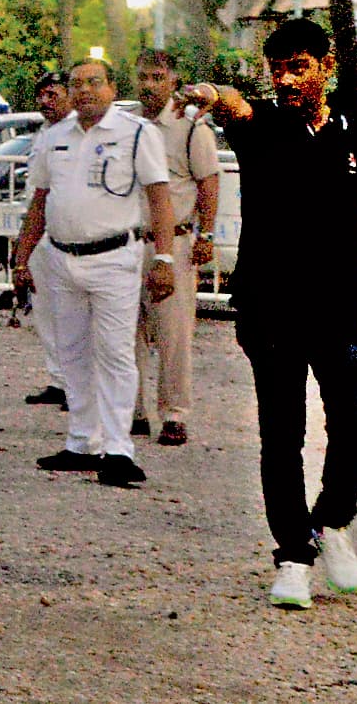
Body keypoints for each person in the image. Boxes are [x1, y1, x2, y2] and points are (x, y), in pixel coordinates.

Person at [178, 19, 357, 609]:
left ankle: (331, 521)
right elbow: (234, 106)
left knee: (355, 428)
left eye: (299, 66)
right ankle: (292, 558)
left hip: (339, 308)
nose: (286, 79)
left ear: (326, 68)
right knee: (281, 436)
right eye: (277, 68)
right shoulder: (263, 125)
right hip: (271, 309)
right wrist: (208, 93)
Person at [12, 59, 175, 491]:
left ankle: (119, 450)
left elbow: (159, 198)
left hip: (113, 258)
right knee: (72, 352)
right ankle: (83, 441)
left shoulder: (138, 133)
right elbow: (40, 201)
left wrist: (165, 259)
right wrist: (22, 256)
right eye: (76, 84)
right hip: (62, 259)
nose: (84, 91)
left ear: (111, 86)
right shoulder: (55, 137)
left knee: (116, 353)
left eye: (94, 82)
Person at [133, 50, 221, 447]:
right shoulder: (128, 124)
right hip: (129, 241)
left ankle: (174, 413)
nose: (149, 85)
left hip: (176, 243)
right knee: (126, 333)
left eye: (156, 77)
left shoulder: (189, 129)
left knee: (173, 333)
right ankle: (132, 410)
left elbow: (208, 182)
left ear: (173, 81)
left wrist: (207, 234)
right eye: (143, 77)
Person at [20, 72, 74, 408]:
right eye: (41, 95)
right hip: (40, 232)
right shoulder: (43, 133)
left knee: (71, 313)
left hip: (65, 233)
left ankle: (76, 383)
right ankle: (58, 378)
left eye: (52, 94)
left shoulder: (75, 132)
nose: (45, 102)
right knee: (45, 310)